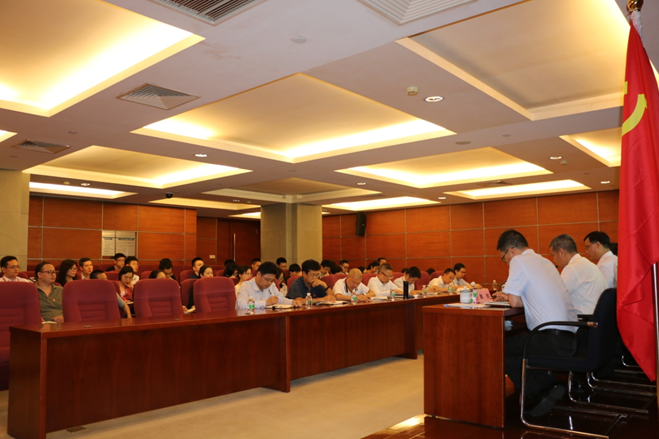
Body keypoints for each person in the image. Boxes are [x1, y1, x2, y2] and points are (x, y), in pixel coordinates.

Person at [496, 229, 578, 416]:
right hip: (570, 337)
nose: (506, 262)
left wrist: (510, 297)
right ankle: (547, 386)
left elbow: (515, 302)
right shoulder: (545, 261)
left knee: (498, 347)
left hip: (551, 339)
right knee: (520, 346)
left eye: (504, 258)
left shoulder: (519, 260)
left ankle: (539, 391)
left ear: (511, 251)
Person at [549, 234, 608, 315]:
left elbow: (555, 297)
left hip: (585, 320)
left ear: (562, 252)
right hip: (598, 318)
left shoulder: (572, 268)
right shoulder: (585, 263)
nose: (554, 259)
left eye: (553, 255)